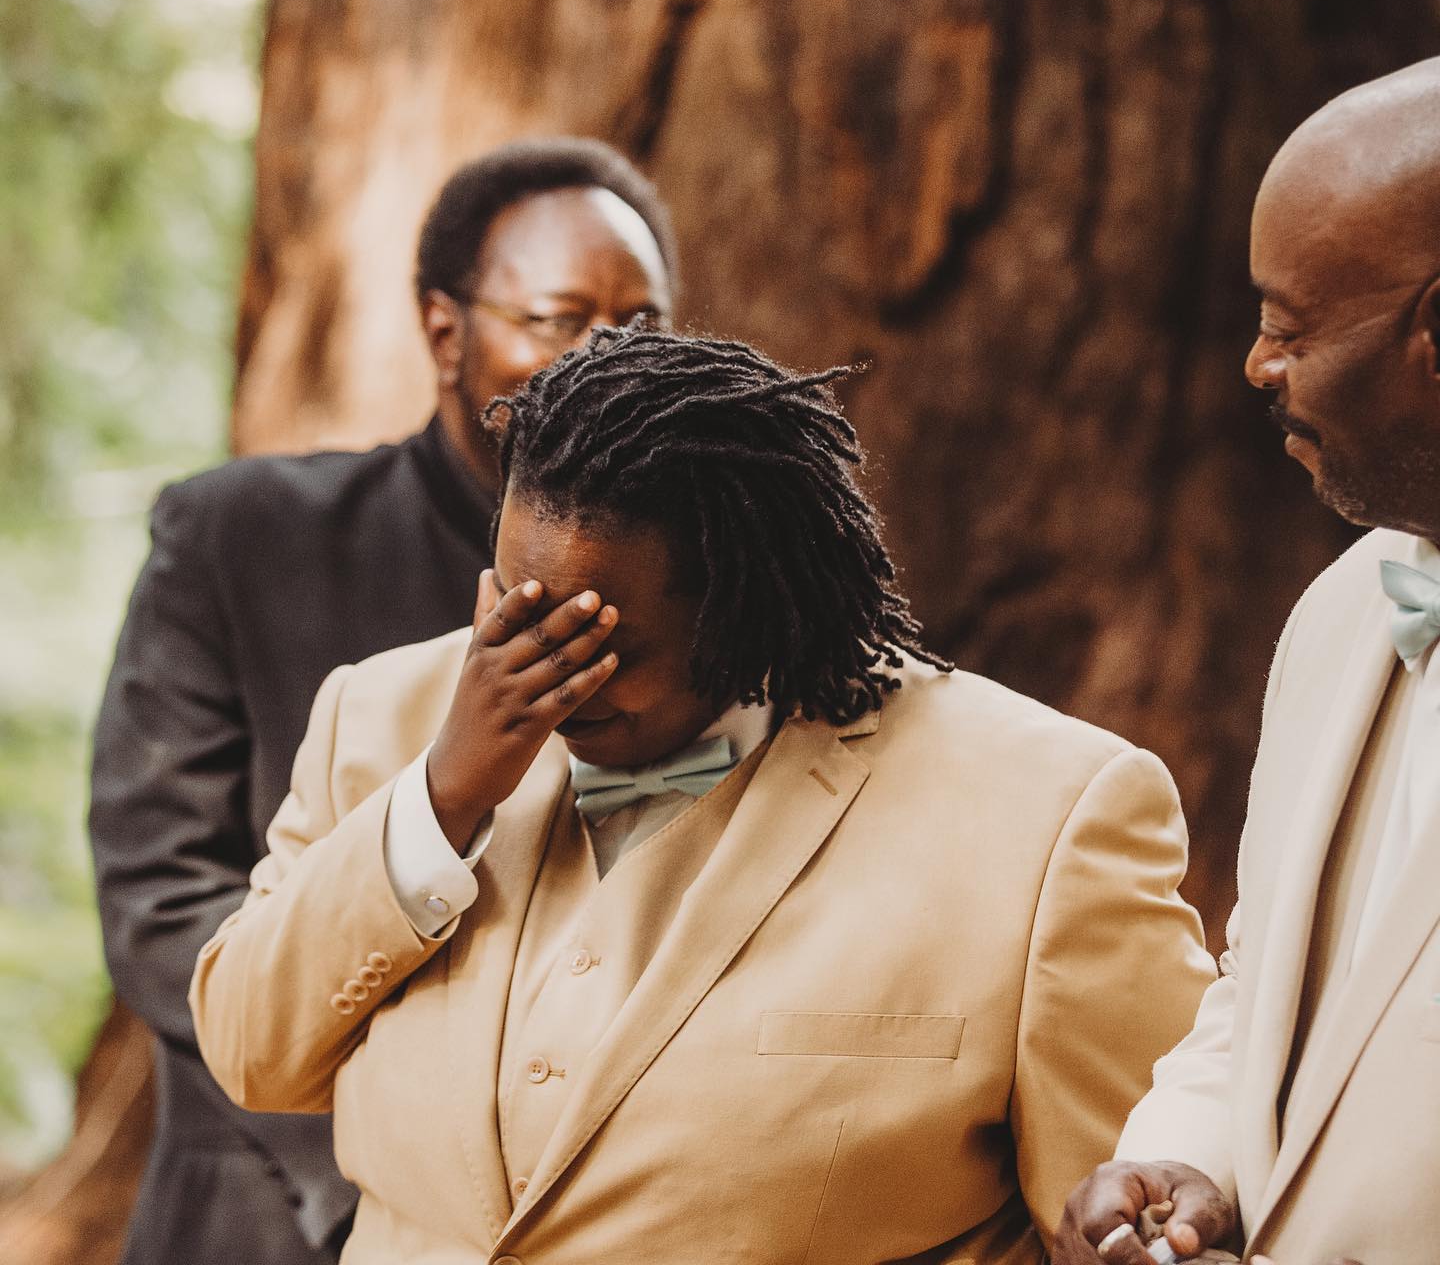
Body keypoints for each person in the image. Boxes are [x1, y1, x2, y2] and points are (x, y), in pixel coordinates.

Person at [190, 327, 1214, 1265]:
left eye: (603, 647)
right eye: (514, 610)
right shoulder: (378, 717)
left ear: (752, 614)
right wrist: (440, 799)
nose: (548, 679)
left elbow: (1137, 1210)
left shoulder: (1048, 815)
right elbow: (249, 1053)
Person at [89, 138, 678, 1265]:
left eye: (642, 325)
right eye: (557, 319)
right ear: (445, 331)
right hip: (271, 1193)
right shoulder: (244, 536)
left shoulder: (698, 596)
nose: (605, 359)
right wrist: (382, 1150)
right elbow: (164, 902)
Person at [1054, 58, 1440, 1265]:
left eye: (1289, 326)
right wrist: (1187, 1158)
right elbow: (1263, 983)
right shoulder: (1339, 615)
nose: (1256, 367)